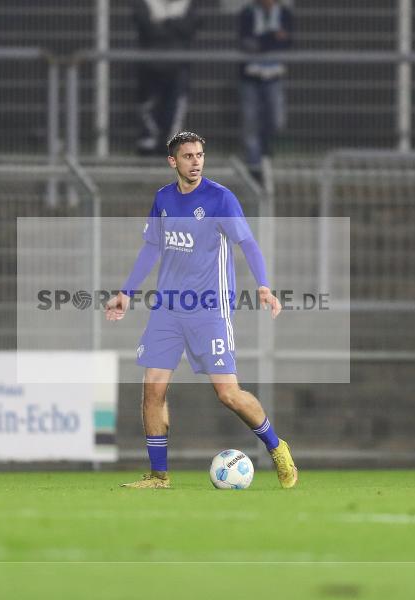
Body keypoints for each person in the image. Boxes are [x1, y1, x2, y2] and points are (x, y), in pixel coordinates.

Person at [105, 131, 298, 489]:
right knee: (152, 389)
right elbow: (152, 248)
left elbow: (248, 243)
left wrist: (263, 285)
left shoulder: (220, 198)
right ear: (173, 161)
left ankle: (276, 446)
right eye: (188, 156)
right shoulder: (163, 198)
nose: (196, 162)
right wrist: (126, 292)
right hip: (167, 308)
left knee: (228, 394)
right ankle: (159, 476)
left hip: (210, 309)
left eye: (199, 156)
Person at [132, 0, 201, 155]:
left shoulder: (187, 4)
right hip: (150, 67)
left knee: (175, 109)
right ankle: (148, 148)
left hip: (178, 68)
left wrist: (162, 22)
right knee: (149, 108)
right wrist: (173, 25)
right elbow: (146, 27)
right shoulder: (146, 3)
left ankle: (171, 146)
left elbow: (189, 27)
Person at [238, 0, 294, 181]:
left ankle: (266, 150)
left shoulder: (284, 13)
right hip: (250, 75)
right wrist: (273, 38)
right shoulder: (247, 13)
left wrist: (263, 41)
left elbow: (287, 41)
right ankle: (254, 167)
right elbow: (247, 43)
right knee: (250, 123)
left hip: (274, 74)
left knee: (276, 119)